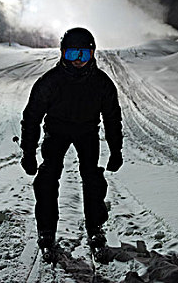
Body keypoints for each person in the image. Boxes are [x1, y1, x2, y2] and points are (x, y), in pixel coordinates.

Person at [20, 27, 123, 263]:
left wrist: (116, 150)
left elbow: (112, 117)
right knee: (47, 178)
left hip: (87, 131)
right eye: (72, 54)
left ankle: (95, 228)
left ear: (92, 54)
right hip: (57, 131)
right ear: (63, 53)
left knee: (93, 178)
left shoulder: (101, 83)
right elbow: (32, 117)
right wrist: (28, 152)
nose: (78, 61)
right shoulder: (50, 82)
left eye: (83, 55)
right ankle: (46, 234)